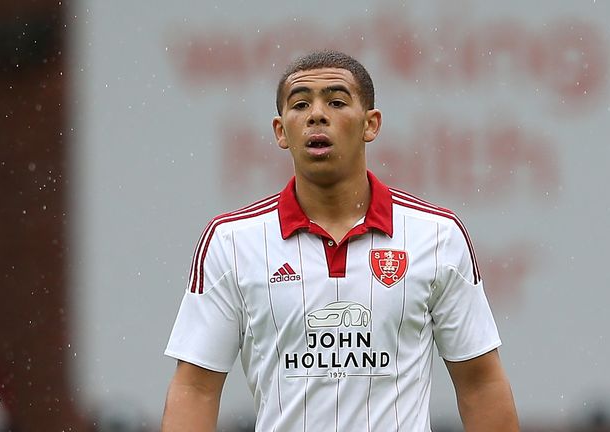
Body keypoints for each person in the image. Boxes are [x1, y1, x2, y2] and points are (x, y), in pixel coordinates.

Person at [161, 50, 520, 431]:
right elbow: (196, 388)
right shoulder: (231, 241)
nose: (317, 114)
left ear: (371, 124)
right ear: (281, 131)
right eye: (300, 104)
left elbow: (480, 384)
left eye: (336, 101)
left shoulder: (437, 234)